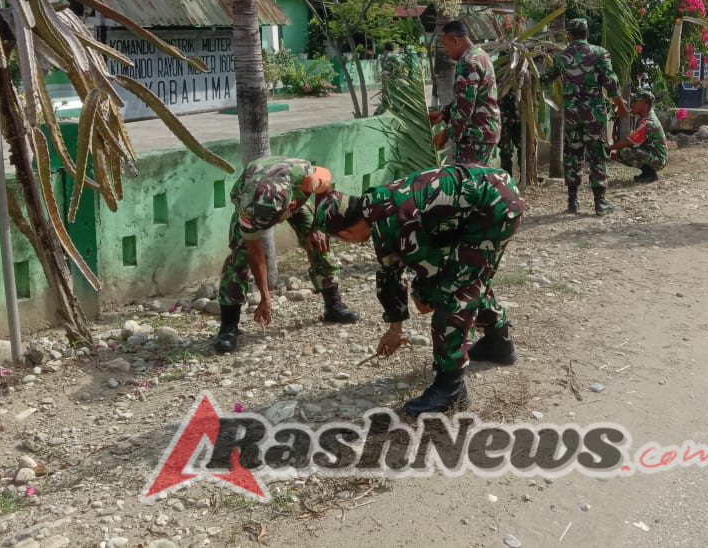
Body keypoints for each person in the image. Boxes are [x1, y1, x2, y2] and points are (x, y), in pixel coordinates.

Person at [315, 165, 524, 416]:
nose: (347, 242)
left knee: (454, 291)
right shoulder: (375, 209)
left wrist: (422, 295)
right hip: (486, 198)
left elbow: (431, 270)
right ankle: (497, 342)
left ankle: (451, 388)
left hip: (494, 205)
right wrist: (395, 328)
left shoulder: (395, 219)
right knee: (469, 276)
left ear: (346, 232)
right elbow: (390, 271)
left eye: (342, 239)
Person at [215, 157, 358, 353]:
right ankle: (228, 328)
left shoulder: (308, 179)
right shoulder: (248, 212)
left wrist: (318, 224)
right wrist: (265, 297)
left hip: (289, 185)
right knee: (239, 259)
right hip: (252, 190)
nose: (270, 228)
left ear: (291, 206)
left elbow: (326, 185)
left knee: (319, 242)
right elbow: (256, 255)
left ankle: (333, 305)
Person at [541, 18, 628, 215]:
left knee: (572, 155)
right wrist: (620, 106)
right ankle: (600, 202)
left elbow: (546, 78)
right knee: (597, 155)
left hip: (572, 116)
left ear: (569, 36)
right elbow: (610, 82)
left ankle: (572, 202)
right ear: (587, 34)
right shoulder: (599, 53)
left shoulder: (562, 56)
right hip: (594, 114)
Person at [427, 21, 501, 164]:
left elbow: (465, 106)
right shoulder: (481, 55)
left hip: (476, 135)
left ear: (455, 41)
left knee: (469, 181)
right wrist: (445, 113)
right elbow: (468, 97)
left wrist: (446, 134)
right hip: (485, 131)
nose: (447, 51)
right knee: (480, 178)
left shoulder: (468, 62)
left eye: (446, 46)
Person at [609, 91, 669, 183]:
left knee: (625, 152)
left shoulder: (647, 122)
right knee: (622, 151)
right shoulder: (645, 118)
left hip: (658, 160)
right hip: (655, 156)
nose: (632, 104)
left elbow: (628, 142)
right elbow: (634, 141)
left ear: (645, 105)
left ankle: (650, 175)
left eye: (635, 101)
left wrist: (608, 148)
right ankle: (647, 173)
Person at [374, 41, 404, 115]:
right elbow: (400, 65)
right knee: (394, 95)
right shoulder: (393, 56)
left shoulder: (382, 56)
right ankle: (395, 112)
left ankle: (378, 111)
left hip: (384, 77)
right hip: (392, 78)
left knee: (386, 95)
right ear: (392, 48)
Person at [497, 92, 521, 177]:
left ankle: (525, 178)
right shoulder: (499, 81)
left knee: (523, 148)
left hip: (519, 118)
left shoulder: (520, 80)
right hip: (504, 119)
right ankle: (507, 179)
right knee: (505, 151)